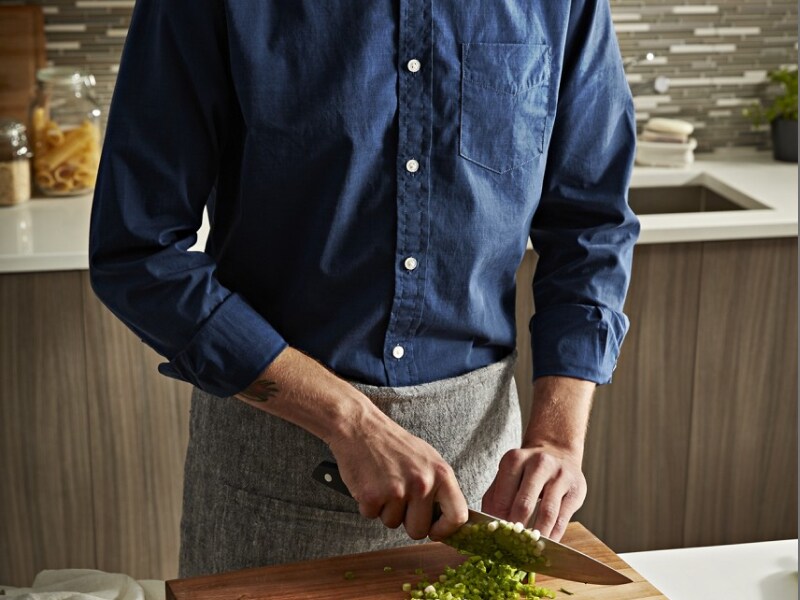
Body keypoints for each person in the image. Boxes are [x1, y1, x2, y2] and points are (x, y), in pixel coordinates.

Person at [89, 0, 639, 578]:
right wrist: (349, 421)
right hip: (269, 480)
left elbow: (591, 224)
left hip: (482, 477)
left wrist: (556, 439)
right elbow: (137, 250)